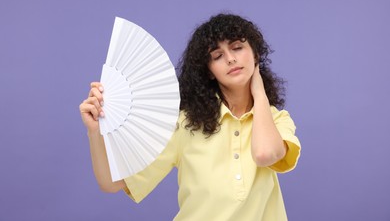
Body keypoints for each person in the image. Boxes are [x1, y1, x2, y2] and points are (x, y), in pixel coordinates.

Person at [79, 13, 301, 220]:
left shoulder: (276, 120)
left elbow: (265, 154)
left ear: (256, 54)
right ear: (208, 70)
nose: (231, 59)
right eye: (217, 55)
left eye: (237, 47)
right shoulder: (185, 124)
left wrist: (259, 94)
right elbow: (111, 183)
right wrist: (94, 131)